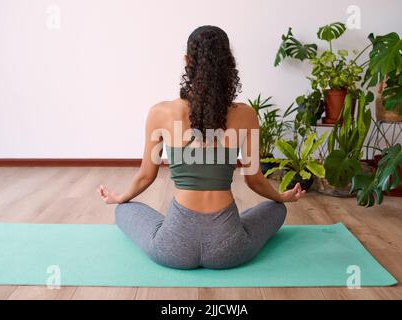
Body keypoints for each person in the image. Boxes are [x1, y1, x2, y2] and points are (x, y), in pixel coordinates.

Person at [96, 25, 305, 270]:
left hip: (174, 249)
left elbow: (146, 175)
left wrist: (120, 197)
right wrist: (281, 196)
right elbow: (254, 180)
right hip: (229, 250)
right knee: (276, 209)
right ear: (228, 62)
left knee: (124, 210)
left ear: (187, 60)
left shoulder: (160, 113)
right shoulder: (246, 115)